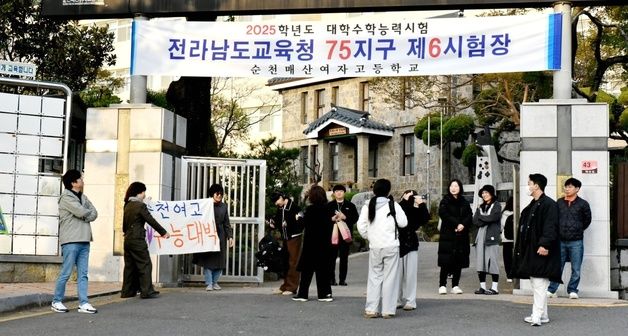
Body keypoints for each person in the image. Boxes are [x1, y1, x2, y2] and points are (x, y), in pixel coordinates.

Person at [512, 173, 561, 326]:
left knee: (539, 282)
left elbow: (550, 226)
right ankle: (543, 314)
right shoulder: (534, 203)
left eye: (529, 183)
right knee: (537, 282)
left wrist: (545, 245)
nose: (528, 186)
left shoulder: (549, 204)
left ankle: (536, 315)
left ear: (536, 186)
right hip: (532, 249)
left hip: (541, 249)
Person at [357, 179, 408, 319]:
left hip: (375, 247)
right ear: (388, 191)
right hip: (391, 246)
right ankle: (388, 310)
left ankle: (371, 309)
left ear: (374, 190)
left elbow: (361, 226)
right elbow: (403, 223)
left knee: (374, 278)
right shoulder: (393, 205)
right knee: (390, 278)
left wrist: (370, 237)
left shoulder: (368, 206)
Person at [52, 169, 99, 314]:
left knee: (83, 274)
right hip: (71, 240)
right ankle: (56, 301)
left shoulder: (83, 196)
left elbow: (94, 213)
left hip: (84, 239)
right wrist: (85, 213)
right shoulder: (65, 198)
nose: (82, 181)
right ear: (73, 183)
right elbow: (82, 212)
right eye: (80, 179)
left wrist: (85, 214)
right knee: (66, 272)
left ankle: (83, 303)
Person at [120, 182, 171, 299]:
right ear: (140, 192)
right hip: (137, 239)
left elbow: (124, 225)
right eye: (143, 192)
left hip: (127, 239)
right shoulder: (140, 206)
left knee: (130, 266)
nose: (144, 195)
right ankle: (147, 291)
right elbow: (151, 220)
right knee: (145, 264)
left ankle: (127, 291)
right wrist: (164, 232)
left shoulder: (127, 205)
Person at [547, 178, 592, 299]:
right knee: (557, 266)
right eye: (566, 187)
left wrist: (577, 229)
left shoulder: (583, 204)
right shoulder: (559, 202)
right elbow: (554, 219)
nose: (567, 189)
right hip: (560, 240)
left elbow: (587, 220)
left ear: (577, 189)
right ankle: (552, 290)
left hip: (576, 241)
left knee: (576, 268)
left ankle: (572, 290)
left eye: (570, 187)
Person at [292, 185, 334, 302]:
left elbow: (301, 225)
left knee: (307, 270)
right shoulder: (328, 209)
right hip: (325, 243)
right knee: (323, 270)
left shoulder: (309, 210)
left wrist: (298, 218)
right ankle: (324, 294)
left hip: (310, 243)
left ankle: (303, 294)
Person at [192, 184, 234, 291]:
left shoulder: (224, 206)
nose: (219, 195)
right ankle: (209, 283)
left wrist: (230, 237)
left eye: (221, 193)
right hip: (208, 234)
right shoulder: (205, 204)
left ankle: (215, 282)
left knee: (220, 261)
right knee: (208, 260)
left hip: (220, 235)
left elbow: (226, 223)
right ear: (212, 194)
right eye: (217, 193)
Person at [437, 179, 472, 295]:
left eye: (456, 186)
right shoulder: (445, 201)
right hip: (448, 235)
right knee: (445, 261)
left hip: (461, 235)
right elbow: (444, 214)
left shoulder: (464, 202)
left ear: (460, 188)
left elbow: (469, 215)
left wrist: (463, 225)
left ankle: (455, 285)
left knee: (458, 261)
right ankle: (442, 285)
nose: (453, 188)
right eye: (452, 186)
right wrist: (456, 224)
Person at [397, 190, 430, 311]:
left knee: (410, 275)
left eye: (412, 196)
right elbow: (398, 216)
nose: (410, 198)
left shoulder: (415, 210)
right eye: (407, 195)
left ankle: (411, 300)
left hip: (411, 244)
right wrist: (404, 201)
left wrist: (421, 204)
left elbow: (425, 218)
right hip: (398, 244)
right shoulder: (399, 207)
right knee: (397, 275)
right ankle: (397, 300)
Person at [270, 191, 303, 295]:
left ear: (282, 197)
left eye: (276, 201)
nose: (276, 203)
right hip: (285, 238)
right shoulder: (280, 208)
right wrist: (273, 223)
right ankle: (285, 286)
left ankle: (292, 287)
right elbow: (278, 220)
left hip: (294, 237)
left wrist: (289, 223)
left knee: (293, 262)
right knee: (285, 262)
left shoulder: (294, 207)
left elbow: (301, 222)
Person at [472, 185, 502, 295]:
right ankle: (482, 287)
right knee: (480, 262)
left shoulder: (497, 205)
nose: (484, 195)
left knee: (492, 262)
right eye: (483, 193)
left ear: (491, 193)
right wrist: (485, 219)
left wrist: (481, 218)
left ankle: (495, 288)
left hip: (491, 237)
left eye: (486, 192)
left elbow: (494, 218)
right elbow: (475, 221)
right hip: (480, 237)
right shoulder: (480, 207)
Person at [327, 184, 359, 286]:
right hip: (333, 236)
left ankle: (342, 279)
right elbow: (324, 219)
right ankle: (331, 279)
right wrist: (332, 219)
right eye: (336, 191)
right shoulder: (329, 205)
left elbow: (355, 219)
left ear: (344, 192)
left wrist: (345, 217)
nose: (339, 193)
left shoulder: (350, 205)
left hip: (345, 236)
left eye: (341, 191)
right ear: (334, 193)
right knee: (331, 258)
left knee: (344, 259)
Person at [501, 197, 515, 282]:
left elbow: (501, 226)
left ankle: (509, 275)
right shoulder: (518, 212)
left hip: (506, 238)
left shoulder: (503, 214)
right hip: (516, 238)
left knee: (507, 257)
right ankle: (516, 273)